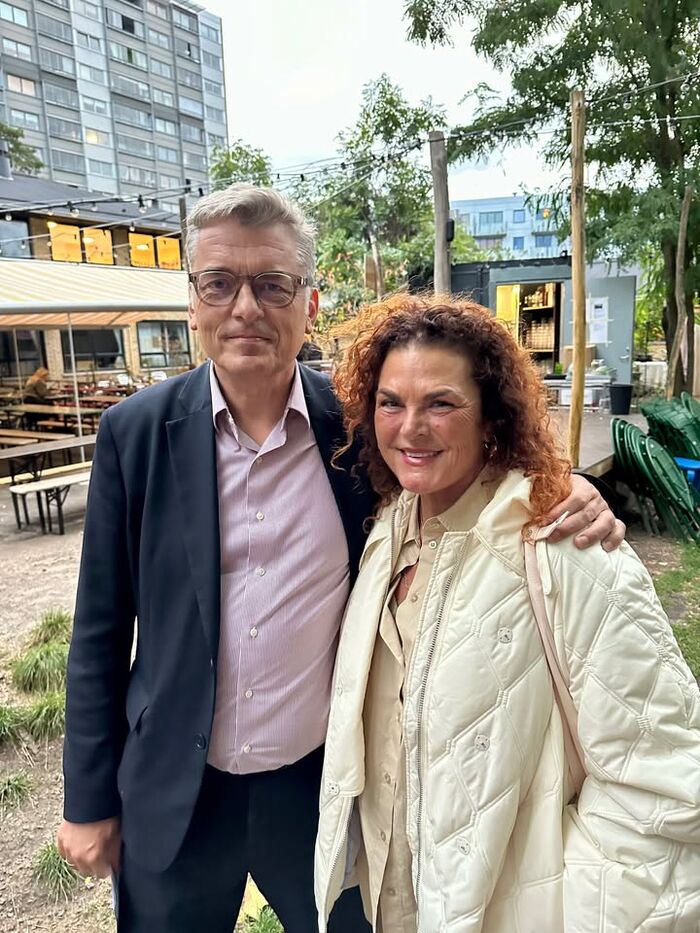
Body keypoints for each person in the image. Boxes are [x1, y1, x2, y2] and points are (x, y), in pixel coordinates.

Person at [56, 184, 623, 933]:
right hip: (175, 791)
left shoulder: (362, 429)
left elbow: (466, 469)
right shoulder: (134, 435)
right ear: (193, 302)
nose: (245, 308)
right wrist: (86, 800)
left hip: (323, 786)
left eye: (273, 284)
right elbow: (98, 632)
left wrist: (564, 488)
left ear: (310, 303)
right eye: (219, 283)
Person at [315, 294, 700, 932]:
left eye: (441, 403)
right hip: (396, 901)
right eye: (391, 402)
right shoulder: (388, 529)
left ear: (491, 417)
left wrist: (577, 909)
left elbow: (663, 783)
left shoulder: (564, 546)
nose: (410, 427)